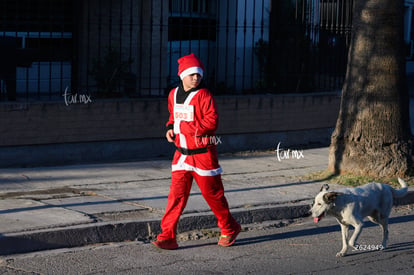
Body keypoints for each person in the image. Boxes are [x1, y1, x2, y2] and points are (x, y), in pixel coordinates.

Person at [152, 53, 241, 250]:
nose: (195, 78)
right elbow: (173, 118)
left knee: (213, 196)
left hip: (203, 155)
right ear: (182, 75)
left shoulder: (205, 95)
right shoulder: (173, 94)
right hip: (181, 155)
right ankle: (167, 236)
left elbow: (212, 122)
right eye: (191, 74)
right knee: (175, 197)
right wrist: (169, 128)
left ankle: (229, 227)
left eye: (198, 75)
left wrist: (182, 128)